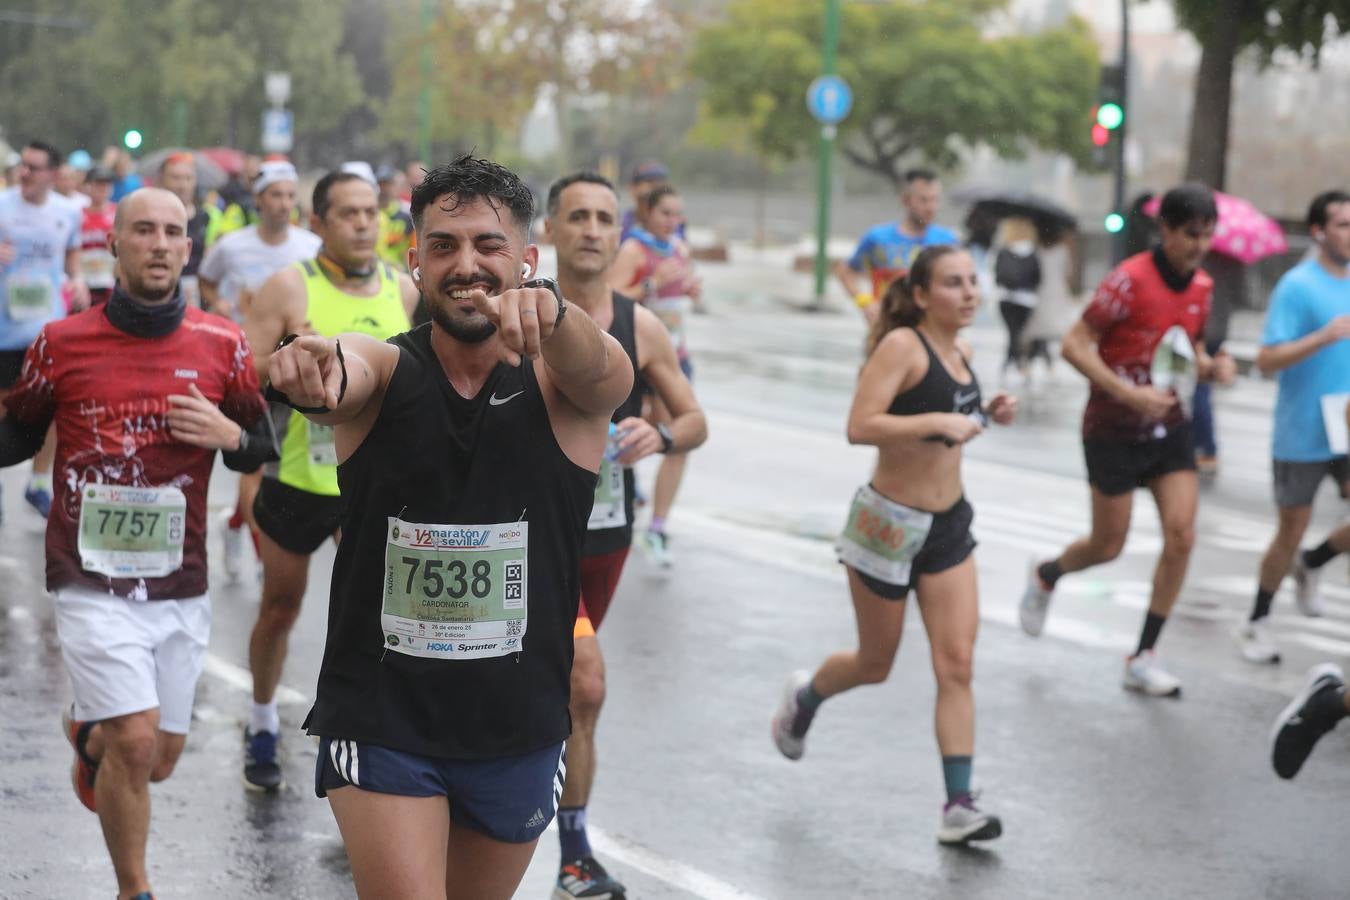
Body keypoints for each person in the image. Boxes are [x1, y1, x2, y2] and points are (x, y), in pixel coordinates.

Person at [265, 155, 633, 899]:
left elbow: (610, 377)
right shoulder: (387, 370)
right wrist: (314, 369)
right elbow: (348, 370)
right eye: (444, 246)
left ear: (527, 260)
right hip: (383, 713)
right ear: (416, 263)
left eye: (488, 246)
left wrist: (556, 317)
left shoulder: (566, 384)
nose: (466, 265)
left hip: (518, 723)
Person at [0, 187, 275, 900]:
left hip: (180, 580)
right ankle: (135, 889)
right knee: (137, 738)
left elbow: (259, 446)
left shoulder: (223, 343)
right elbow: (18, 432)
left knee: (157, 758)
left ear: (188, 249)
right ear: (113, 245)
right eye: (143, 230)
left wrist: (232, 436)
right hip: (87, 576)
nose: (159, 243)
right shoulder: (61, 343)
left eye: (173, 232)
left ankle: (88, 740)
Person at [771, 245, 1016, 844]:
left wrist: (988, 410)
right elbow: (861, 425)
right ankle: (806, 698)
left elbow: (952, 414)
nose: (969, 293)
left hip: (948, 527)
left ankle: (959, 804)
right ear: (924, 294)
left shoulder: (963, 351)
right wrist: (936, 424)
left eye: (972, 283)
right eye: (954, 284)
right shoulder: (902, 346)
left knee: (956, 665)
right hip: (887, 524)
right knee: (875, 663)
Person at [544, 172, 707, 899]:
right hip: (525, 539)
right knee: (584, 683)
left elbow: (696, 420)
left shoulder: (640, 327)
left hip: (604, 537)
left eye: (602, 218)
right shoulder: (523, 314)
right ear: (548, 230)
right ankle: (573, 858)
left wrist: (660, 432)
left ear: (619, 234)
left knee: (561, 691)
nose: (589, 229)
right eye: (575, 215)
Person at [1019, 184, 1237, 696]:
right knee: (1107, 545)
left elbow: (1189, 353)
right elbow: (1075, 344)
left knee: (1181, 536)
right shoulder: (1129, 281)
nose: (1199, 246)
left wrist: (1213, 368)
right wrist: (1126, 392)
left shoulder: (1202, 287)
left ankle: (1143, 655)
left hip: (1170, 428)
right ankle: (1048, 575)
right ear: (1165, 230)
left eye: (1207, 236)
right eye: (1190, 235)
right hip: (1112, 428)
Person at [240, 169, 418, 791]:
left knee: (376, 619)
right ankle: (262, 719)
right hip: (300, 478)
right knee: (281, 607)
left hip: (371, 487)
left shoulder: (404, 289)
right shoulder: (290, 287)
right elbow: (246, 372)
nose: (364, 223)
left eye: (371, 212)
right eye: (348, 213)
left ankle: (372, 740)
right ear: (318, 223)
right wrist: (289, 364)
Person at [1235, 191, 1350, 665]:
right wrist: (1322, 337)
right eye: (1343, 224)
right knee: (1290, 530)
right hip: (1302, 428)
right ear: (1319, 231)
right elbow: (1265, 361)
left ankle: (1315, 561)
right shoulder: (1296, 287)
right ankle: (1256, 621)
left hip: (1347, 426)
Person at [198, 160, 321, 585]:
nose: (284, 203)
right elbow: (207, 279)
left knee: (279, 466)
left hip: (297, 370)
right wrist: (219, 305)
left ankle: (236, 527)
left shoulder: (310, 246)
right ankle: (259, 549)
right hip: (249, 368)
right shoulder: (233, 245)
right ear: (259, 200)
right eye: (276, 195)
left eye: (290, 195)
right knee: (255, 467)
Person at [607, 185, 702, 569]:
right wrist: (652, 284)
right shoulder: (633, 250)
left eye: (677, 214)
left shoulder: (679, 249)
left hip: (674, 355)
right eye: (665, 213)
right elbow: (610, 297)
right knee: (632, 432)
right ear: (646, 212)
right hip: (636, 355)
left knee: (677, 438)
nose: (672, 221)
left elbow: (680, 297)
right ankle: (619, 501)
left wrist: (689, 289)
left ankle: (658, 526)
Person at [0, 140, 90, 520]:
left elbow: (71, 252)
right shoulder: (2, 205)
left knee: (54, 406)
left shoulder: (68, 211)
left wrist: (79, 278)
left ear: (52, 174)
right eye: (23, 165)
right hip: (5, 328)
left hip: (48, 328)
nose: (24, 173)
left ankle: (38, 482)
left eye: (34, 167)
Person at [837, 169, 958, 323]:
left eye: (935, 200)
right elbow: (846, 271)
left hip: (931, 328)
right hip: (888, 327)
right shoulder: (878, 238)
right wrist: (865, 303)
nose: (931, 207)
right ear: (906, 201)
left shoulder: (947, 241)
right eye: (924, 200)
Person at [156, 153, 212, 308]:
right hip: (158, 292)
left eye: (188, 178)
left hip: (197, 295)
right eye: (176, 178)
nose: (183, 185)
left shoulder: (206, 217)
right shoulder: (151, 217)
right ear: (162, 179)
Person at [992, 216, 1043, 384]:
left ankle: (1009, 365)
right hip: (1026, 300)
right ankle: (1018, 365)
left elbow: (997, 275)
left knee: (1012, 332)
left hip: (1006, 298)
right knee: (1017, 332)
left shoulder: (1004, 251)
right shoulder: (1033, 253)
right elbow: (1038, 278)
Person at [78, 166, 119, 306]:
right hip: (84, 283)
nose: (102, 188)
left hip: (110, 283)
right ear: (87, 186)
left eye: (107, 184)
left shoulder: (119, 213)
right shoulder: (77, 215)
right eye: (98, 184)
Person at [376, 165, 415, 272]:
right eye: (380, 184)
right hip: (374, 271)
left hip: (398, 272)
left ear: (395, 186)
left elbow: (412, 248)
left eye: (387, 184)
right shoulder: (369, 215)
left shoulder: (406, 214)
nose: (384, 189)